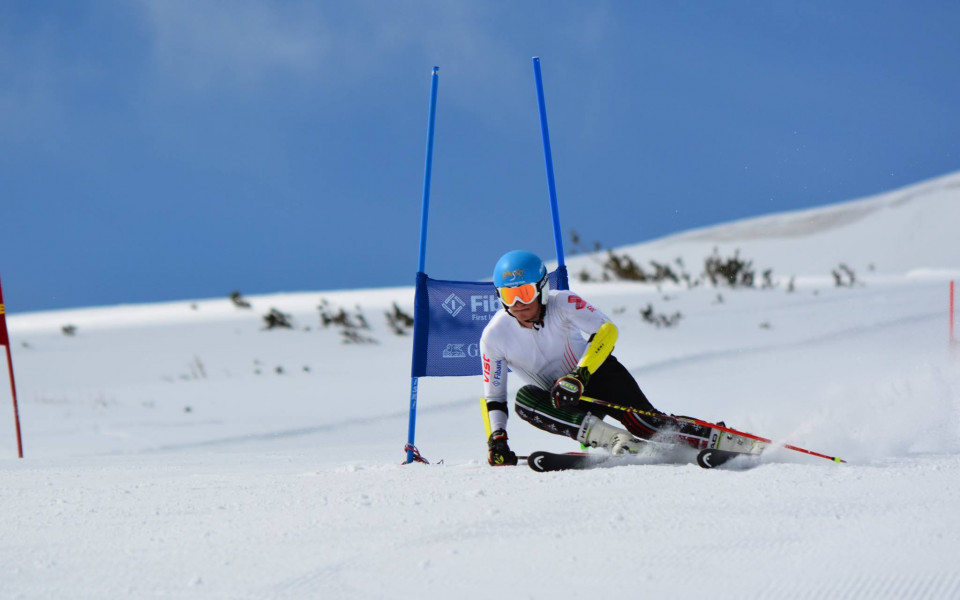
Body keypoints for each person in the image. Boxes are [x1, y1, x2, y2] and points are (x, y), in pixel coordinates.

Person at [480, 250, 718, 466]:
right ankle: (616, 439)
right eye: (509, 295)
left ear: (541, 288)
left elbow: (607, 330)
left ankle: (712, 436)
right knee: (525, 400)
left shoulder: (562, 301)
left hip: (597, 376)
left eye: (524, 292)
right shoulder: (494, 336)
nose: (518, 304)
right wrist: (497, 438)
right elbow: (495, 397)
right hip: (563, 398)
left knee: (648, 425)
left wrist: (579, 375)